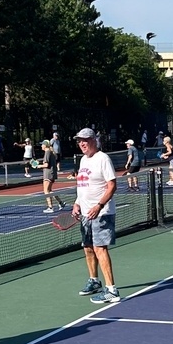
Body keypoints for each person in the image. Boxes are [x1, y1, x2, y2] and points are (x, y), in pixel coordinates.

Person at [73, 128, 119, 304]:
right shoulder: (83, 160)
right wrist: (77, 203)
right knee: (88, 248)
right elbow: (83, 186)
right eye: (79, 141)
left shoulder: (103, 159)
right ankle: (94, 281)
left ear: (93, 140)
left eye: (84, 140)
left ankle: (112, 290)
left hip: (102, 212)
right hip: (85, 213)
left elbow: (112, 186)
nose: (82, 144)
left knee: (100, 249)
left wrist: (99, 206)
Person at [40, 139, 65, 212]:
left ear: (45, 145)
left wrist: (39, 166)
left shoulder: (47, 152)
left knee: (46, 191)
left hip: (48, 174)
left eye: (42, 144)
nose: (41, 146)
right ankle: (61, 203)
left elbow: (46, 165)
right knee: (49, 190)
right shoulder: (51, 152)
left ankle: (50, 207)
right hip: (51, 173)